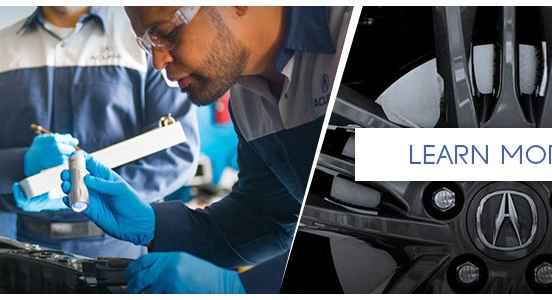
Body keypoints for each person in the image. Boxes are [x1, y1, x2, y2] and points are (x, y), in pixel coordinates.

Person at [61, 6, 349, 293]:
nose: (158, 62)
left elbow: (392, 189)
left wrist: (246, 288)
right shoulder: (246, 98)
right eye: (149, 45)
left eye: (167, 32)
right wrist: (155, 226)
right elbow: (267, 216)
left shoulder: (350, 32)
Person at [0, 6, 199, 259]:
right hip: (17, 243)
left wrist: (96, 193)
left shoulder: (144, 43)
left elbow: (178, 149)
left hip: (119, 242)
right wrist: (22, 164)